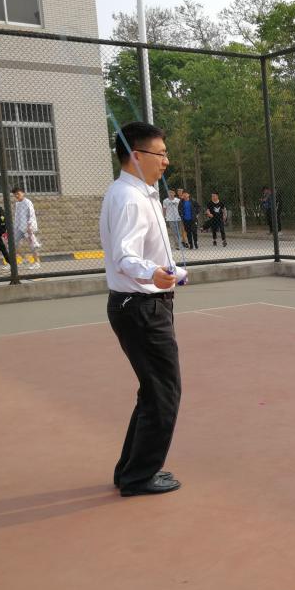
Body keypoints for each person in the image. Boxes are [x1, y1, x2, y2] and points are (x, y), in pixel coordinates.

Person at [100, 120, 185, 497]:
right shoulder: (131, 198)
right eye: (160, 153)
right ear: (136, 156)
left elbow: (139, 253)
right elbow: (125, 256)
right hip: (142, 309)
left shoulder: (132, 193)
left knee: (153, 391)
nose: (166, 160)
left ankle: (131, 470)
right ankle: (139, 477)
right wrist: (152, 273)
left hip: (140, 306)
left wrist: (170, 271)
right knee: (164, 392)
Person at [11, 187, 41, 270]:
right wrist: (15, 227)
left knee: (32, 245)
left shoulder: (27, 202)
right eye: (15, 194)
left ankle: (36, 263)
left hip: (28, 227)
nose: (16, 196)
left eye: (18, 194)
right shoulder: (17, 204)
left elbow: (31, 214)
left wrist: (29, 226)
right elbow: (17, 217)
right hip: (19, 227)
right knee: (13, 243)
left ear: (23, 193)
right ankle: (24, 259)